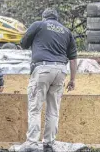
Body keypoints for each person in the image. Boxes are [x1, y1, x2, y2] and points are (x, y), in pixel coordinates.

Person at [19, 8, 77, 151]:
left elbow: (23, 43)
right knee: (53, 109)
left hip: (42, 69)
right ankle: (49, 143)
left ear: (44, 17)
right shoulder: (66, 31)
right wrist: (73, 79)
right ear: (57, 19)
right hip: (61, 71)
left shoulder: (39, 25)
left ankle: (32, 143)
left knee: (35, 108)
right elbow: (73, 58)